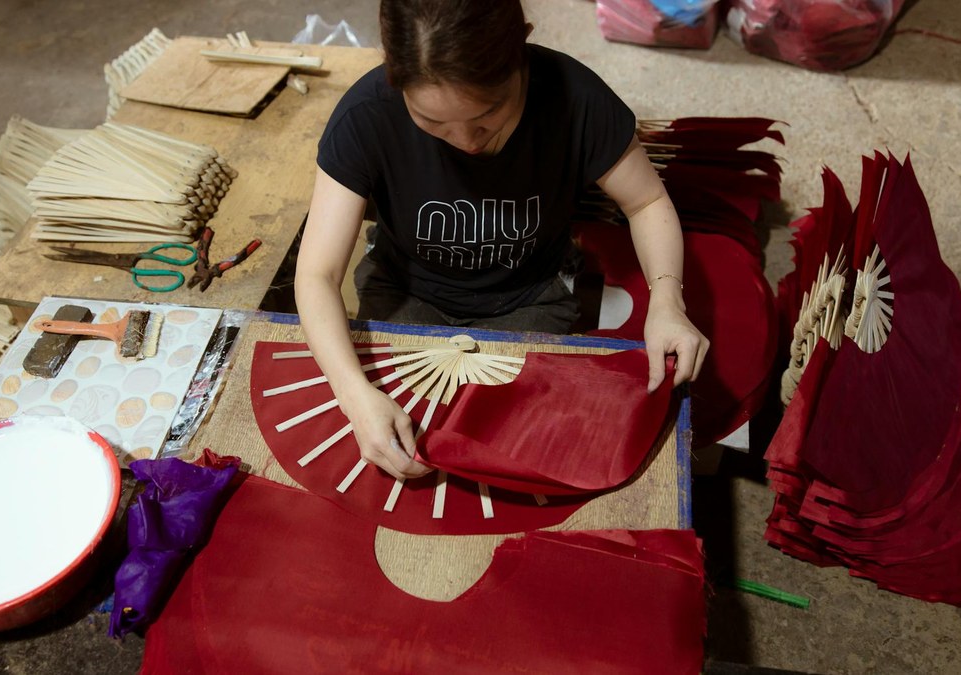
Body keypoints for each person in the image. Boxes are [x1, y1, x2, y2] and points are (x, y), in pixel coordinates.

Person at [294, 0, 709, 481]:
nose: (466, 141)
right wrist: (353, 395)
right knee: (394, 443)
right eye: (432, 123)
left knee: (526, 445)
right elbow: (317, 273)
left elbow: (646, 203)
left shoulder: (574, 97)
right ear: (394, 77)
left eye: (488, 115)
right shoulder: (366, 115)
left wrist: (667, 299)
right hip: (406, 289)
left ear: (522, 53)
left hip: (532, 292)